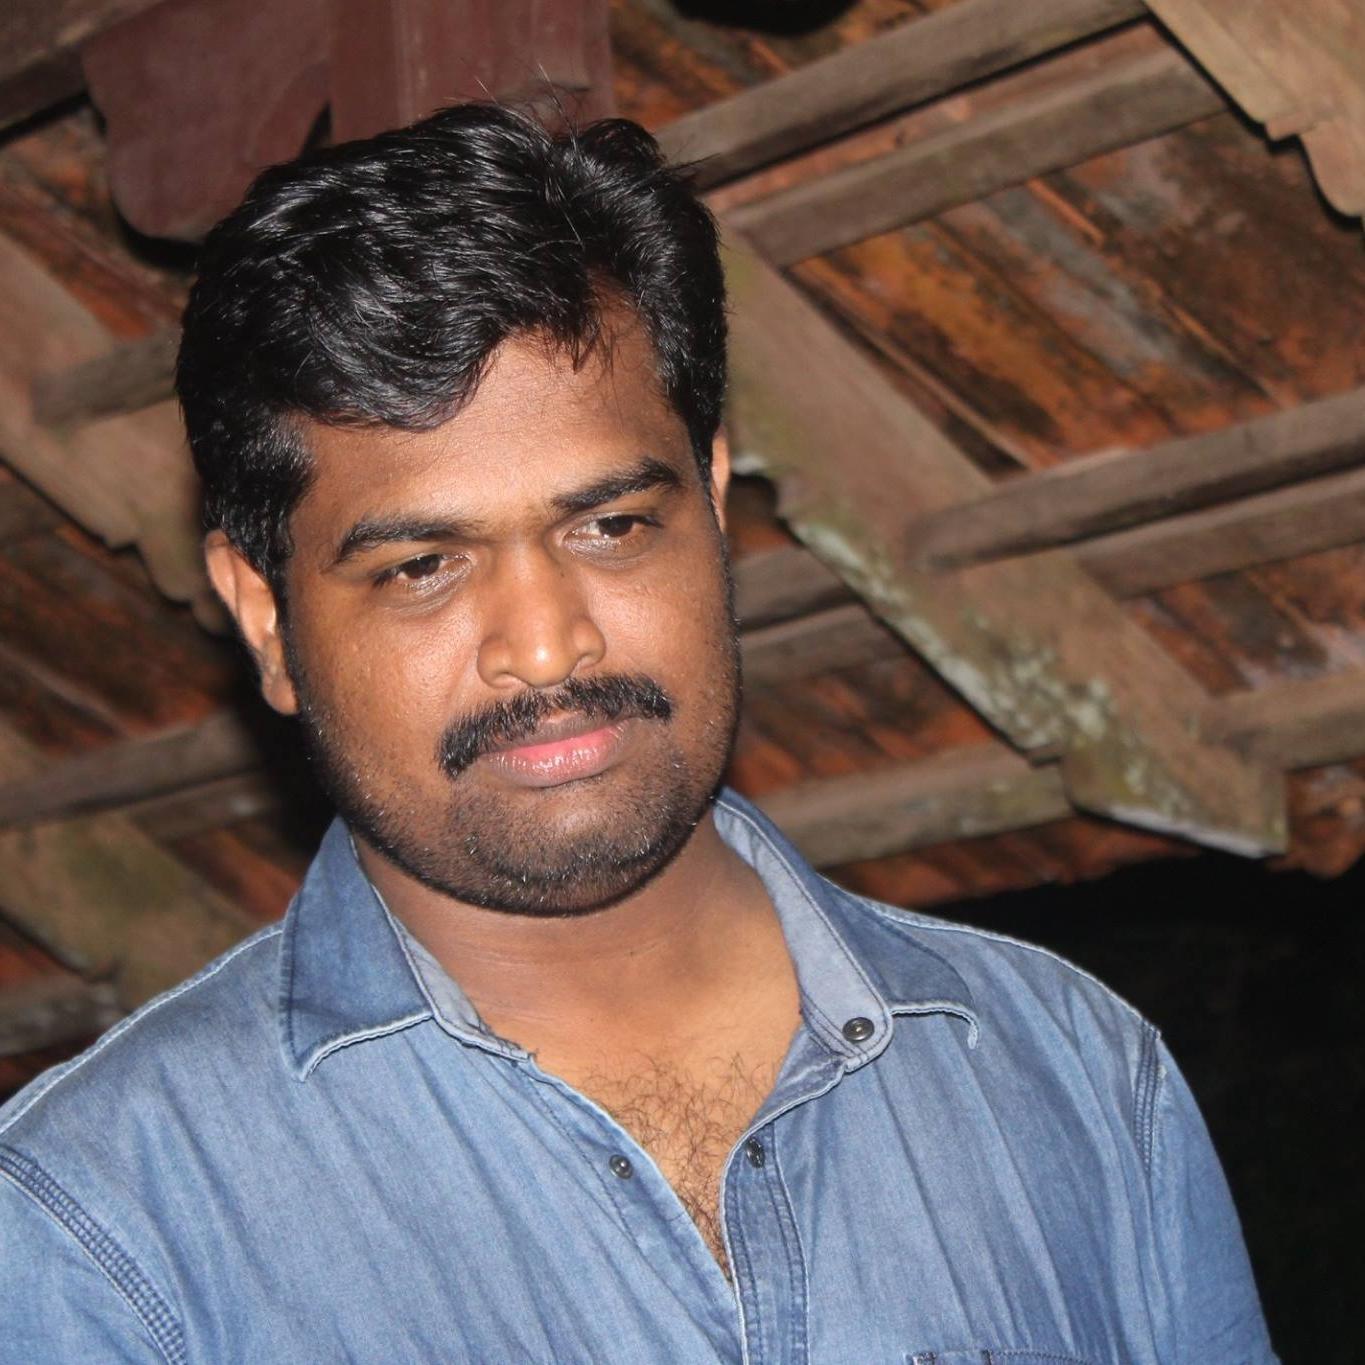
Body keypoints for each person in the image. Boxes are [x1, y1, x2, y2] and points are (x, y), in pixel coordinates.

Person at [0, 104, 1276, 1364]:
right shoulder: (99, 1231)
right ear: (267, 620)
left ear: (712, 502)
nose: (547, 645)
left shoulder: (1074, 1076)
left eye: (609, 527)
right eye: (422, 567)